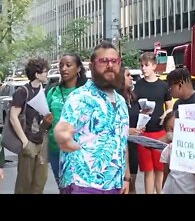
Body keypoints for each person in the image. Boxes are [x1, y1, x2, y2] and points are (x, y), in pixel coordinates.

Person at [54, 40, 130, 194]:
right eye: (103, 61)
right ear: (92, 66)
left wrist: (126, 177)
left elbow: (122, 141)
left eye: (114, 61)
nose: (110, 65)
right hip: (82, 184)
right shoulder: (79, 98)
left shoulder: (121, 102)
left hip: (114, 183)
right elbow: (63, 132)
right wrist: (63, 136)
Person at [46, 53, 87, 188]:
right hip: (55, 149)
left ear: (78, 68)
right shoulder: (53, 92)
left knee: (78, 188)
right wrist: (45, 122)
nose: (64, 69)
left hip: (79, 149)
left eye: (68, 65)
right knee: (63, 187)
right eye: (61, 65)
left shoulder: (86, 93)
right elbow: (44, 123)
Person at [11, 57, 51, 194]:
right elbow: (13, 117)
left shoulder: (43, 91)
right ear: (37, 74)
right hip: (28, 140)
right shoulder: (22, 92)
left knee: (40, 181)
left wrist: (46, 121)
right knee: (25, 183)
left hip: (42, 140)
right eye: (45, 71)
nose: (47, 74)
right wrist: (24, 141)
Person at [134, 52, 172, 194]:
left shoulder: (163, 85)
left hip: (160, 131)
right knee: (148, 170)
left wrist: (165, 115)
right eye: (142, 65)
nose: (143, 68)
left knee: (160, 169)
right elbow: (134, 106)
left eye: (146, 65)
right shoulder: (138, 85)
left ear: (154, 66)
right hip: (144, 131)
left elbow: (169, 107)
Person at [116, 66, 142, 194]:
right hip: (119, 148)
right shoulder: (115, 99)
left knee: (132, 184)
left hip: (133, 146)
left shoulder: (133, 98)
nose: (131, 77)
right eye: (128, 75)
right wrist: (127, 131)